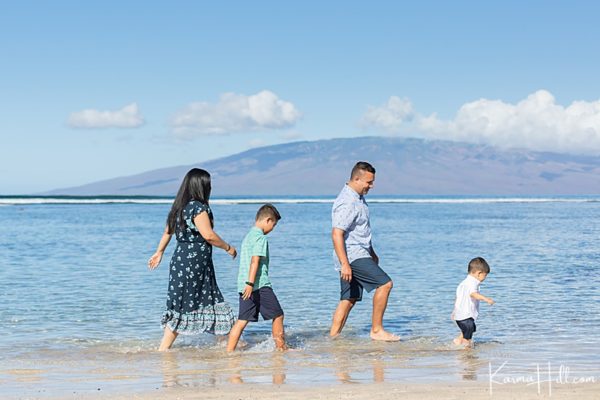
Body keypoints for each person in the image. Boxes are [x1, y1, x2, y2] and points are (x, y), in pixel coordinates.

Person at [148, 168, 238, 351]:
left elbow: (168, 232)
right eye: (208, 184)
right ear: (201, 186)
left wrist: (159, 252)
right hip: (194, 264)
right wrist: (228, 248)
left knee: (192, 301)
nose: (210, 187)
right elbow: (208, 235)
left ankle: (225, 343)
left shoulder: (179, 207)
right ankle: (228, 344)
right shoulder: (198, 208)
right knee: (197, 302)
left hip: (181, 261)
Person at [329, 161, 400, 341]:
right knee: (385, 284)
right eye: (368, 182)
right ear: (357, 179)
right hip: (352, 256)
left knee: (349, 298)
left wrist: (372, 252)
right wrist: (345, 264)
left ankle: (333, 339)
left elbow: (359, 231)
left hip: (358, 253)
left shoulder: (358, 197)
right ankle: (377, 330)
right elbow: (337, 233)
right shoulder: (347, 202)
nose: (371, 186)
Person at [227, 204, 286, 352]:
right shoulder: (260, 238)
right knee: (278, 315)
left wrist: (246, 284)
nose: (273, 228)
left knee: (241, 321)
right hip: (258, 284)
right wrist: (250, 283)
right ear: (268, 220)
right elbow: (255, 261)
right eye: (274, 224)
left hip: (244, 285)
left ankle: (229, 352)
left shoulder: (248, 236)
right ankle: (281, 348)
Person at [451, 257, 495, 348]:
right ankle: (467, 351)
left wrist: (454, 311)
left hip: (460, 315)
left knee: (471, 328)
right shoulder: (472, 283)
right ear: (479, 273)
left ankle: (458, 341)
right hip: (466, 315)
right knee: (468, 334)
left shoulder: (463, 283)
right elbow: (473, 294)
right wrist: (486, 299)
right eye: (485, 275)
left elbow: (457, 298)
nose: (485, 278)